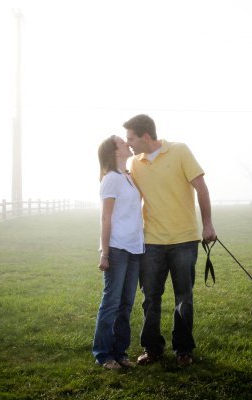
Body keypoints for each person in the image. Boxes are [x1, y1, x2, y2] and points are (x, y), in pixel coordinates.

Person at [124, 114, 217, 366]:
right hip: (151, 242)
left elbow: (201, 187)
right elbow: (129, 199)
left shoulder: (179, 151)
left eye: (130, 138)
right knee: (150, 298)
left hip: (184, 240)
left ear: (145, 136)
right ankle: (152, 349)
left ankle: (183, 349)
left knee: (183, 298)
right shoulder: (133, 163)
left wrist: (207, 224)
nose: (128, 143)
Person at [92, 135, 144, 370]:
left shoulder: (128, 177)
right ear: (114, 152)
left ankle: (120, 352)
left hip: (134, 248)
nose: (127, 143)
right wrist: (104, 252)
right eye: (122, 142)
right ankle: (104, 354)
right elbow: (105, 217)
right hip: (117, 248)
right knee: (111, 302)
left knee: (126, 304)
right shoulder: (111, 179)